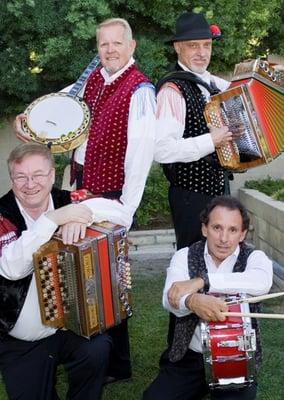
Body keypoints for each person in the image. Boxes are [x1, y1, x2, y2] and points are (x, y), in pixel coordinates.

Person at [14, 17, 156, 382]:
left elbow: (139, 157)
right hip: (81, 187)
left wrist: (125, 210)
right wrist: (27, 119)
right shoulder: (94, 78)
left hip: (110, 196)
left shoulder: (139, 91)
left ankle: (115, 364)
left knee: (109, 278)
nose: (109, 50)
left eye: (116, 43)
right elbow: (57, 106)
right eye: (103, 44)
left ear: (131, 47)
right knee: (90, 273)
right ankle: (102, 356)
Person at [0, 142, 113, 400]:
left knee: (97, 348)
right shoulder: (1, 213)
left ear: (51, 174)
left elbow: (122, 212)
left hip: (70, 327)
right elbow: (12, 268)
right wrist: (51, 220)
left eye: (38, 174)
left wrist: (79, 214)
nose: (30, 184)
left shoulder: (69, 200)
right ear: (12, 179)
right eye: (21, 177)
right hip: (20, 340)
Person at [143, 195, 273, 400]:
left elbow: (262, 283)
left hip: (236, 357)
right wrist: (191, 301)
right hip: (191, 356)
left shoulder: (255, 258)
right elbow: (169, 298)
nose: (224, 238)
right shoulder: (184, 256)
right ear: (204, 229)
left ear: (242, 234)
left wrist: (203, 281)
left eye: (233, 230)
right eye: (217, 228)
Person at [154, 11, 234, 251]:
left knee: (217, 261)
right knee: (192, 260)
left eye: (207, 45)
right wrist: (212, 140)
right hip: (190, 197)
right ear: (178, 48)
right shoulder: (172, 91)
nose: (202, 52)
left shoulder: (212, 83)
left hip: (217, 191)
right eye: (193, 46)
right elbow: (162, 150)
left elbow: (243, 92)